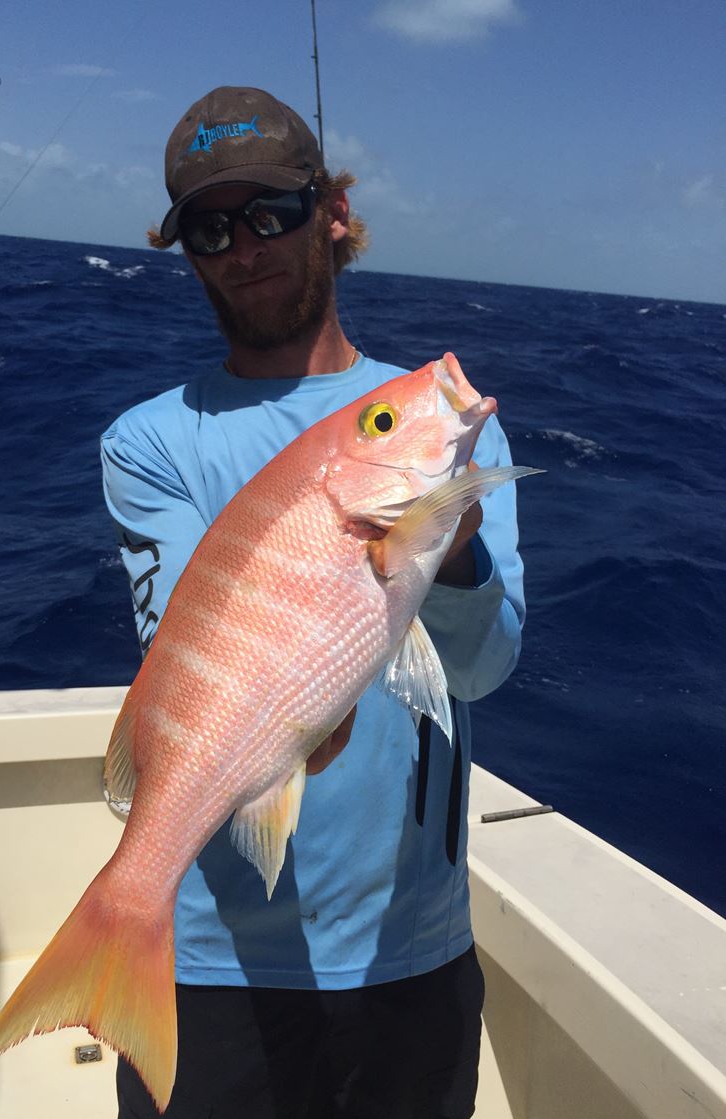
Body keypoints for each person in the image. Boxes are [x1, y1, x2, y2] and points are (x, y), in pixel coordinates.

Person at [101, 85, 526, 1119]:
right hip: (210, 962)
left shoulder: (452, 440)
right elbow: (207, 670)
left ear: (331, 213)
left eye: (272, 214)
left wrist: (450, 560)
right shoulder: (150, 441)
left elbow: (476, 670)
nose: (243, 247)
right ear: (186, 250)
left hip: (407, 945)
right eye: (210, 228)